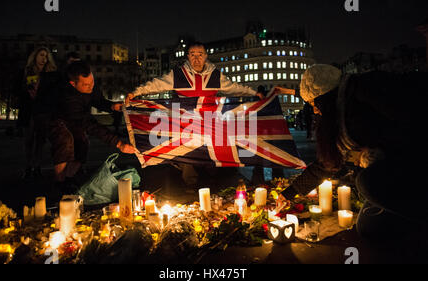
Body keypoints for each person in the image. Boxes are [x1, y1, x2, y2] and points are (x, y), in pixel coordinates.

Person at [277, 64, 427, 243]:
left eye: (313, 104)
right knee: (368, 228)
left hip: (415, 166)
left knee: (366, 182)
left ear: (323, 99)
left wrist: (378, 153)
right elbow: (327, 164)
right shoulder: (343, 108)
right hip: (395, 170)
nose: (315, 111)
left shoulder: (368, 90)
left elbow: (414, 124)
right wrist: (289, 193)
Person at [126, 42, 264, 186]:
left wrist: (254, 93)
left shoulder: (215, 75)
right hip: (187, 125)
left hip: (211, 123)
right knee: (187, 155)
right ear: (188, 57)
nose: (196, 59)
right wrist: (135, 93)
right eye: (193, 55)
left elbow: (235, 88)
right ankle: (191, 187)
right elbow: (156, 85)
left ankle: (214, 184)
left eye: (200, 55)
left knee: (215, 155)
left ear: (205, 56)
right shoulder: (178, 75)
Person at [49, 60, 136, 192]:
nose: (91, 87)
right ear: (73, 83)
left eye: (92, 82)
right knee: (65, 141)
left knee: (83, 143)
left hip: (76, 118)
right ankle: (60, 182)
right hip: (55, 117)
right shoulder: (67, 97)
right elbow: (89, 124)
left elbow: (97, 100)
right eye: (86, 84)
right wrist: (118, 144)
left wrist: (111, 106)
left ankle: (70, 177)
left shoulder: (90, 86)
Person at [17, 47, 58, 179]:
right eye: (41, 55)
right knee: (28, 141)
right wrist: (27, 91)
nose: (43, 59)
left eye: (46, 56)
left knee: (40, 141)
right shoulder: (25, 72)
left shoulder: (51, 74)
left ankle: (37, 166)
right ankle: (28, 166)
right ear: (34, 56)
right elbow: (17, 90)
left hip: (43, 112)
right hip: (28, 111)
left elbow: (54, 94)